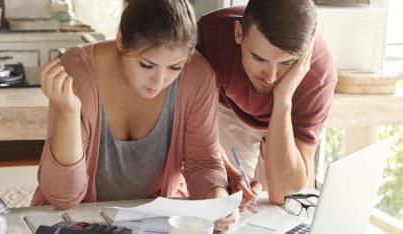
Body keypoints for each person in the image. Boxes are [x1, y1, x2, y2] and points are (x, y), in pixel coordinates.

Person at [31, 0, 237, 230]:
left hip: (152, 224)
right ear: (121, 40)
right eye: (147, 65)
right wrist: (69, 112)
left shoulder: (198, 76)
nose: (159, 81)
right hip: (76, 224)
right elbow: (63, 198)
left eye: (175, 67)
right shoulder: (78, 70)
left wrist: (218, 203)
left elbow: (203, 162)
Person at [196, 0, 338, 206]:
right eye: (259, 58)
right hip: (229, 107)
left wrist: (283, 98)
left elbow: (284, 192)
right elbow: (193, 131)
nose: (271, 77)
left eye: (287, 62)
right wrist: (230, 174)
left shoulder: (319, 73)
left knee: (282, 207)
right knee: (234, 202)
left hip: (287, 118)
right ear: (238, 34)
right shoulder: (209, 37)